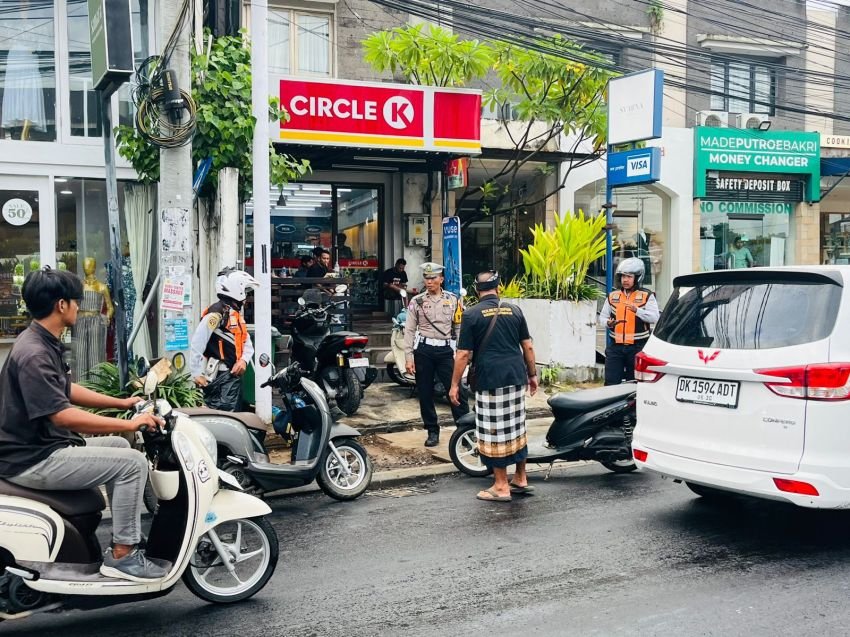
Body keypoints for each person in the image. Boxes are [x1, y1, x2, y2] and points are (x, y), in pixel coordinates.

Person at [0, 267, 166, 581]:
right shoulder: (34, 352)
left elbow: (66, 389)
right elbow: (61, 414)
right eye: (76, 301)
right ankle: (124, 553)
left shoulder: (41, 340)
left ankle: (125, 534)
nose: (80, 306)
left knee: (119, 447)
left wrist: (121, 403)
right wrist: (129, 424)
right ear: (61, 305)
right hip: (32, 459)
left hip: (41, 446)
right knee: (131, 463)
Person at [449, 271, 538, 502]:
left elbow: (463, 354)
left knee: (494, 433)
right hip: (516, 377)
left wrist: (454, 385)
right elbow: (527, 346)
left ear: (477, 290)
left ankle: (500, 486)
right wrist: (533, 374)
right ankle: (520, 478)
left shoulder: (471, 314)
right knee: (517, 428)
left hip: (491, 380)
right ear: (498, 288)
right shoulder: (515, 310)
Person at [403, 262, 469, 447]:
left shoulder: (453, 300)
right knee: (425, 393)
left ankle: (464, 428)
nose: (429, 281)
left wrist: (462, 352)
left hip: (445, 351)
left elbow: (459, 327)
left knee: (456, 391)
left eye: (433, 278)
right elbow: (409, 330)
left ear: (441, 279)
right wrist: (408, 357)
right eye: (427, 278)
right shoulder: (417, 301)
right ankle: (432, 430)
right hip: (424, 351)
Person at [190, 267, 258, 411]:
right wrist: (196, 373)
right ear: (236, 289)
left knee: (233, 416)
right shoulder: (216, 314)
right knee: (224, 419)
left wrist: (244, 361)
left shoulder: (235, 315)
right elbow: (198, 341)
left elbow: (246, 343)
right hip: (219, 375)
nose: (246, 296)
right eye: (244, 291)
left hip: (232, 376)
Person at [599, 257, 660, 386]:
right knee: (611, 383)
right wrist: (608, 323)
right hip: (615, 347)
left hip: (637, 347)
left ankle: (632, 407)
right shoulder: (613, 296)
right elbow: (602, 317)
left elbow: (654, 317)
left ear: (638, 278)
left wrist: (637, 311)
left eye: (629, 277)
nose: (625, 280)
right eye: (623, 276)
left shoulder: (646, 296)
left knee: (634, 384)